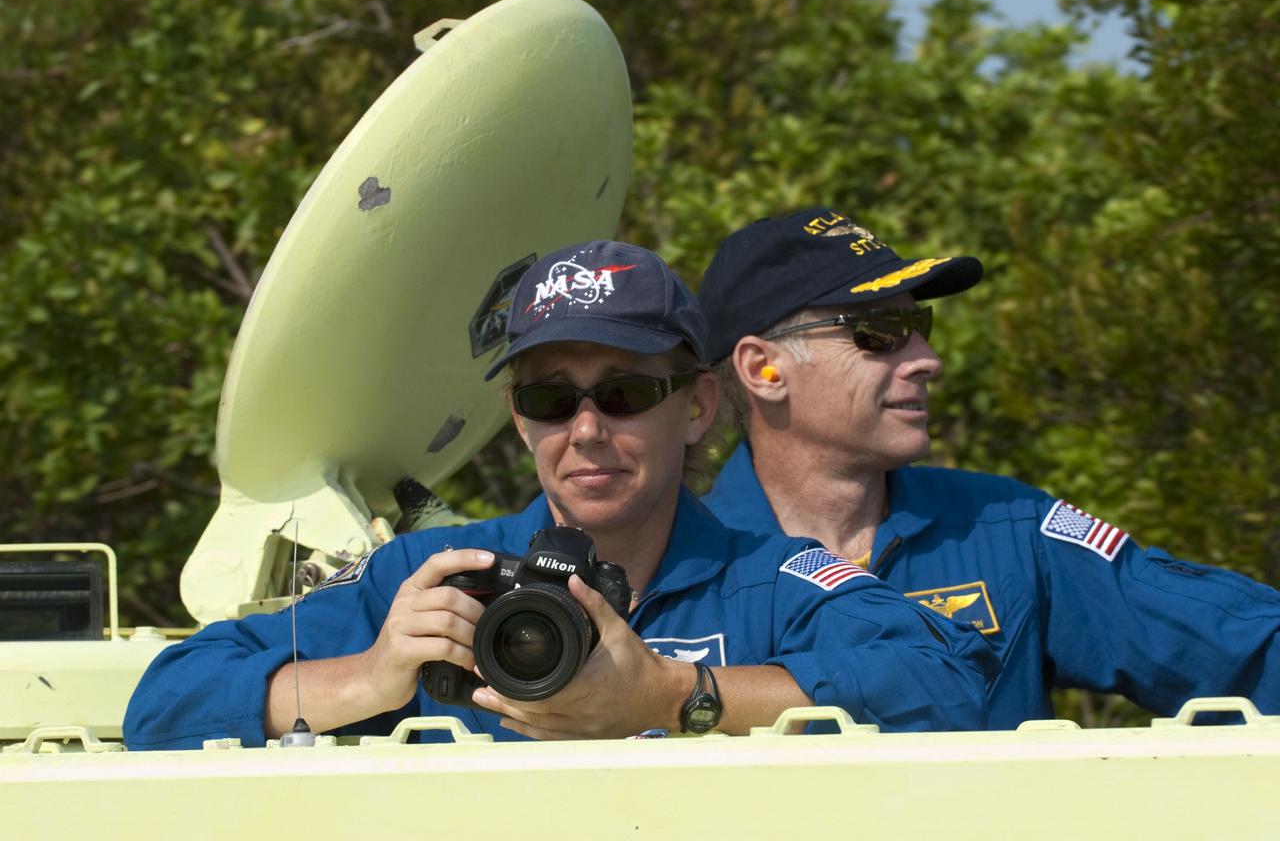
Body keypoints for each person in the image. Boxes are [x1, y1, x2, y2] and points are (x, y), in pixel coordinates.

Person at [124, 239, 998, 750]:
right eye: (550, 399)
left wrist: (672, 696)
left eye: (622, 394)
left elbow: (947, 684)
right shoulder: (432, 576)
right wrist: (366, 677)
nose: (584, 430)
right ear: (517, 418)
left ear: (694, 407)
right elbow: (164, 705)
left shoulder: (774, 579)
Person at [697, 207, 1280, 729]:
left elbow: (1240, 645)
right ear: (763, 369)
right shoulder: (680, 562)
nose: (927, 359)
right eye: (879, 334)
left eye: (919, 328)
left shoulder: (1012, 528)